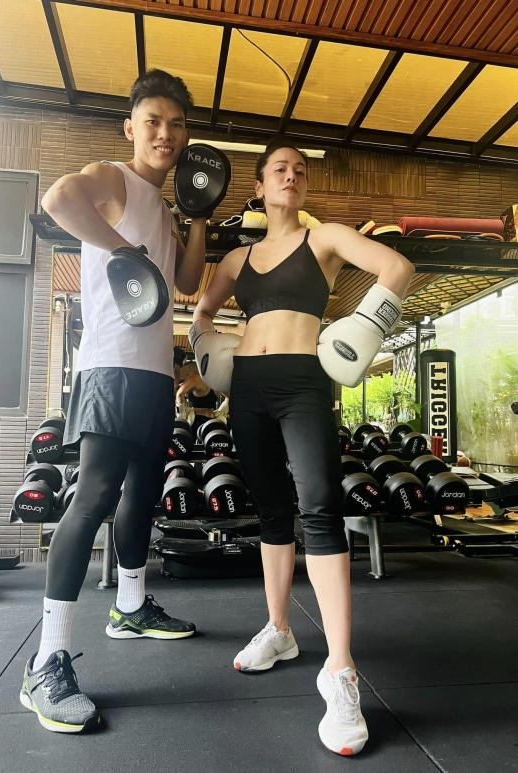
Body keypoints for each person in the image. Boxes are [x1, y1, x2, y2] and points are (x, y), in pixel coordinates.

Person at [190, 137, 414, 756]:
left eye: (300, 170)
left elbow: (398, 269)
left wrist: (366, 326)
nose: (291, 176)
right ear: (259, 187)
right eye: (279, 169)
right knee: (271, 513)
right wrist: (208, 350)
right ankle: (280, 629)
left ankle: (340, 669)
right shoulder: (237, 259)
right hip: (249, 387)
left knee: (319, 509)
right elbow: (201, 311)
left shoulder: (326, 239)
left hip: (304, 383)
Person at [20, 69, 209, 734]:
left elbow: (187, 281)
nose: (165, 133)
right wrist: (126, 249)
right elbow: (58, 198)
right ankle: (45, 662)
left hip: (154, 374)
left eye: (176, 124)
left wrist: (199, 217)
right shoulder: (112, 178)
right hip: (110, 366)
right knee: (95, 496)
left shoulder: (162, 206)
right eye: (153, 121)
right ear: (131, 127)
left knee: (142, 495)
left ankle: (130, 606)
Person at [175, 360, 219, 434]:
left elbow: (179, 394)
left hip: (198, 422)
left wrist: (182, 416)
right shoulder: (209, 379)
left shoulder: (195, 378)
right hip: (211, 420)